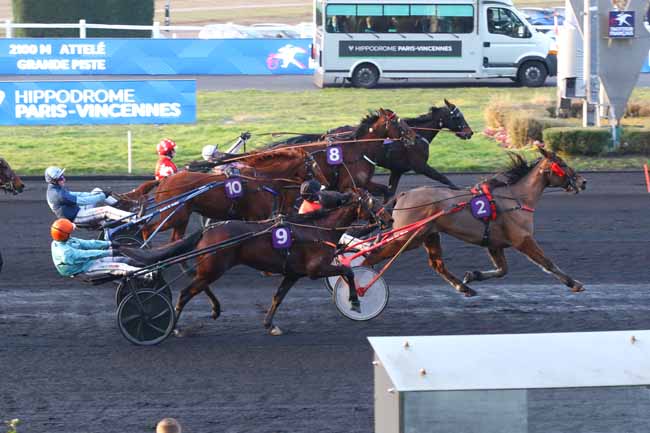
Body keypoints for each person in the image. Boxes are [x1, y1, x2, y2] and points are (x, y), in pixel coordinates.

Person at [50, 218, 145, 279]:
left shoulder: (63, 240)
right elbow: (88, 254)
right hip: (85, 269)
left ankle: (145, 265)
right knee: (121, 267)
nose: (72, 233)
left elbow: (88, 243)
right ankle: (149, 275)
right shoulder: (66, 253)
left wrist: (109, 243)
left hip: (88, 262)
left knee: (122, 259)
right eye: (70, 232)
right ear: (65, 235)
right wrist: (110, 252)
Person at [45, 166, 133, 227]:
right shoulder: (58, 195)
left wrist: (100, 194)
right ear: (54, 181)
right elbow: (83, 201)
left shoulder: (56, 188)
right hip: (77, 217)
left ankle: (122, 206)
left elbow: (78, 194)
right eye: (61, 178)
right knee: (106, 210)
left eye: (63, 176)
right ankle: (134, 218)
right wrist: (102, 196)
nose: (64, 179)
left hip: (78, 210)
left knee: (97, 190)